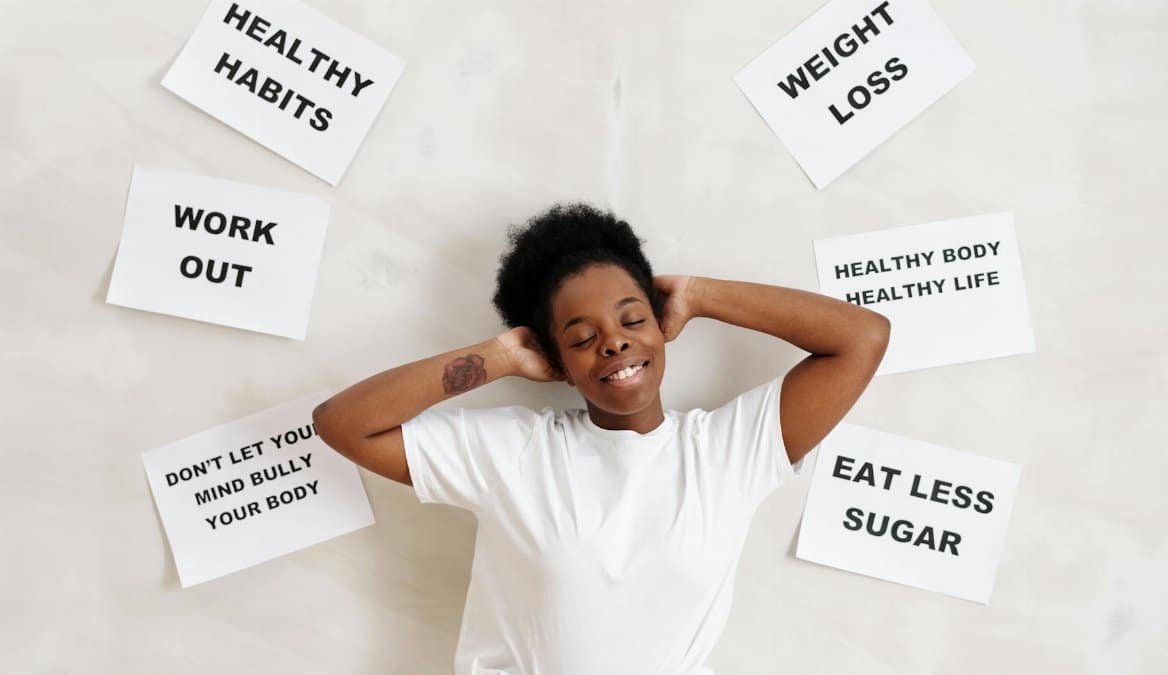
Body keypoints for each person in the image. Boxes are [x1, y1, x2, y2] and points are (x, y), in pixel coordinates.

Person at [312, 202, 890, 675]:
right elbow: (343, 423)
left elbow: (862, 337)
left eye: (632, 320)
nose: (614, 343)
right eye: (582, 336)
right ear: (556, 359)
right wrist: (500, 356)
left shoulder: (727, 452)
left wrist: (699, 294)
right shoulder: (515, 453)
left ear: (661, 327)